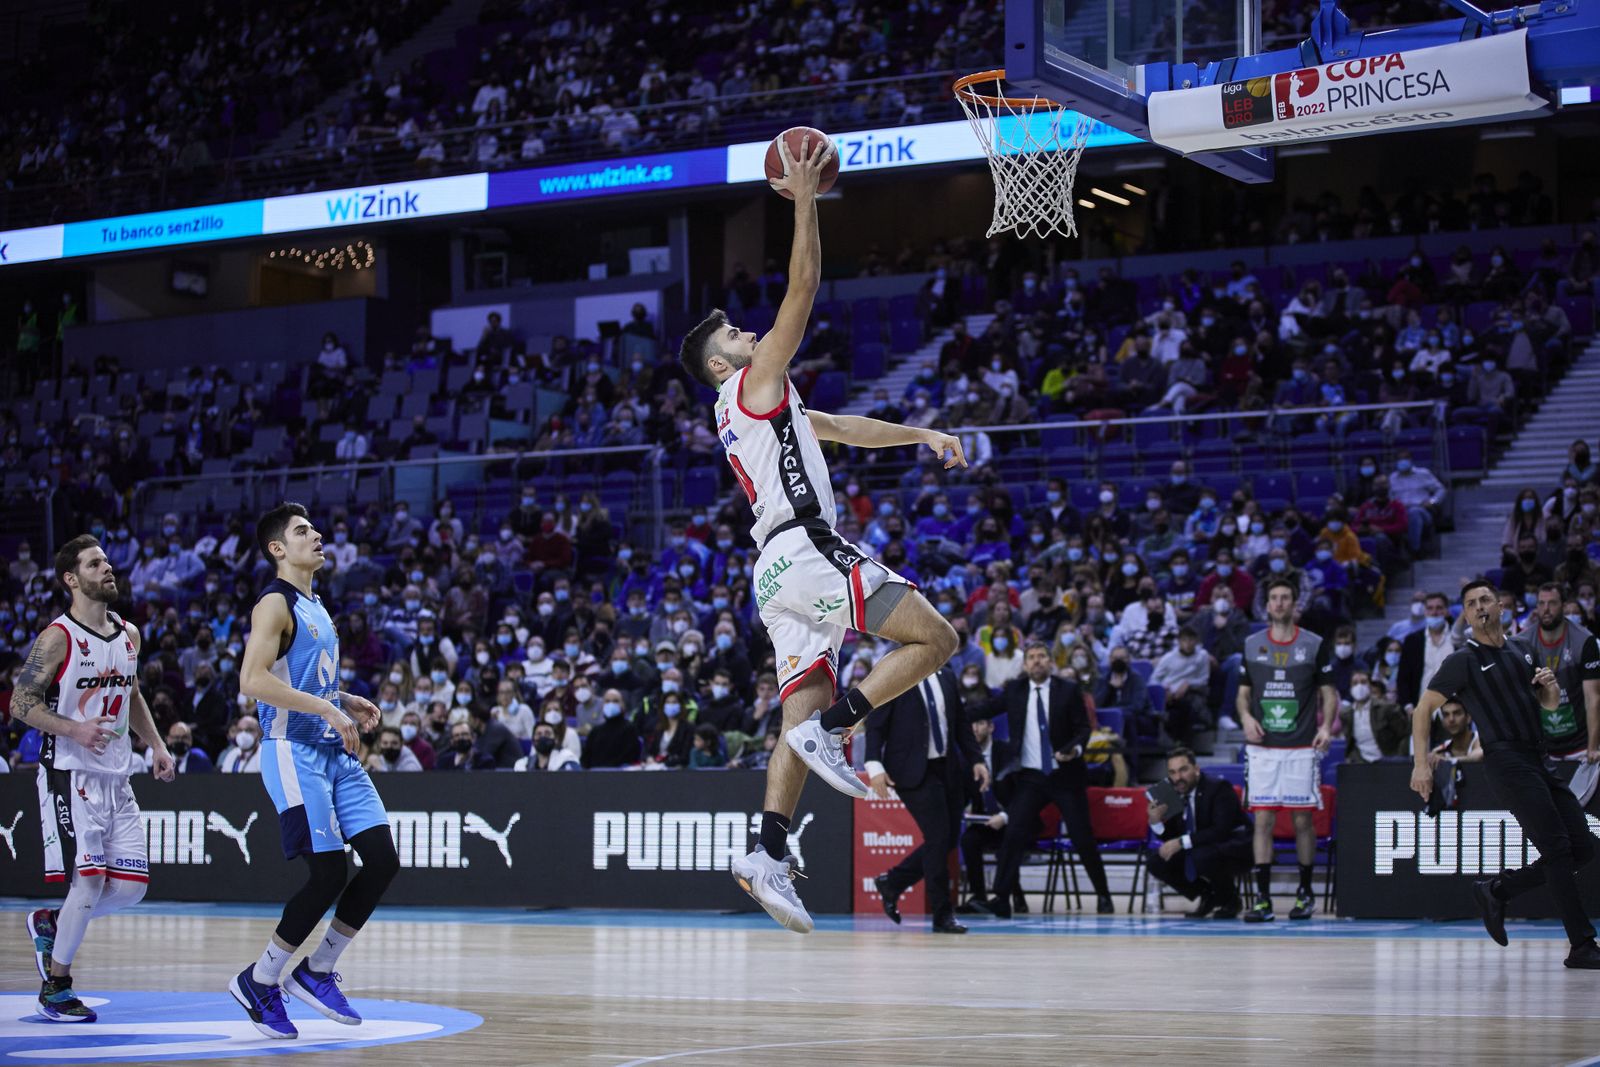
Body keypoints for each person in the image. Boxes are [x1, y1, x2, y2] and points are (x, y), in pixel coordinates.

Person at [679, 134, 964, 934]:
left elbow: (843, 426)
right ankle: (838, 730)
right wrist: (806, 197)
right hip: (805, 548)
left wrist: (920, 435)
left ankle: (765, 849)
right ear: (720, 363)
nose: (746, 334)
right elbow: (802, 289)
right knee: (935, 638)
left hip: (773, 573)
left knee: (792, 715)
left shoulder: (761, 408)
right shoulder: (751, 381)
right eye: (734, 333)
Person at [231, 503, 399, 1038]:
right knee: (327, 873)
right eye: (302, 531)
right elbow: (253, 682)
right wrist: (327, 708)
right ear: (278, 548)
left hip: (334, 749)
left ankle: (318, 968)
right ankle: (260, 980)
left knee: (381, 860)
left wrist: (342, 698)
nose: (317, 535)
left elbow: (303, 678)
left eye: (315, 529)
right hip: (292, 749)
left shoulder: (316, 604)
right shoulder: (274, 605)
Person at [13, 534, 175, 1022]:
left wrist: (157, 745)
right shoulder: (57, 637)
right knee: (88, 880)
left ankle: (52, 922)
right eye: (94, 563)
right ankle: (56, 986)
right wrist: (74, 729)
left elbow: (131, 693)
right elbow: (21, 703)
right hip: (69, 771)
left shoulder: (129, 633)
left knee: (131, 888)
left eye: (106, 561)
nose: (107, 568)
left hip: (117, 773)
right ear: (71, 578)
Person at [1412, 579, 1600, 968]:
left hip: (1539, 757)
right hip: (1506, 761)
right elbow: (1421, 710)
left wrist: (1549, 687)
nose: (1479, 607)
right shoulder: (1463, 659)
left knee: (1582, 847)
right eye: (1470, 603)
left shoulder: (1523, 650)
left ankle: (1496, 890)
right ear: (1465, 615)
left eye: (1485, 600)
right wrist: (1419, 765)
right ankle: (1582, 945)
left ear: (1500, 607)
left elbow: (1547, 706)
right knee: (1558, 849)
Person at [1236, 578, 1338, 922]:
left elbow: (1329, 693)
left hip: (1301, 746)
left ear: (1295, 605)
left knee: (1302, 821)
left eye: (1285, 598)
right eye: (1274, 598)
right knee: (1262, 820)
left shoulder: (1313, 644)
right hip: (1263, 748)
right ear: (1267, 605)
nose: (1279, 603)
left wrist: (1326, 727)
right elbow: (1242, 693)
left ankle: (1306, 894)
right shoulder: (1251, 645)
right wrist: (1246, 717)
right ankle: (1263, 900)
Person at [988, 642, 1114, 916]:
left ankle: (1104, 895)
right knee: (1013, 833)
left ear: (1050, 662)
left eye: (1041, 657)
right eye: (1031, 657)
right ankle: (1000, 898)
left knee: (1082, 838)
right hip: (1032, 777)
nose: (1036, 662)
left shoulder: (1067, 690)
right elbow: (985, 708)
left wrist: (1075, 749)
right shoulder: (1015, 691)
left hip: (1065, 775)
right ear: (1025, 665)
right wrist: (954, 713)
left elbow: (1083, 729)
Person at [865, 666, 988, 934]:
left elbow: (961, 724)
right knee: (938, 837)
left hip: (948, 768)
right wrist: (874, 765)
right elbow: (875, 724)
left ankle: (893, 882)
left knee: (948, 837)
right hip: (910, 770)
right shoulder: (896, 672)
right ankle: (942, 915)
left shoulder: (947, 675)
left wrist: (977, 759)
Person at [1146, 748, 1252, 918]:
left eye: (1183, 770)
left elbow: (1221, 831)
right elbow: (1172, 836)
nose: (1178, 777)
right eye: (1172, 772)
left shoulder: (1218, 788)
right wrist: (1156, 822)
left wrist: (1181, 842)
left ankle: (1230, 899)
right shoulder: (1174, 793)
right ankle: (1207, 895)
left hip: (1236, 847)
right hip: (1201, 848)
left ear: (1196, 769)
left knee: (1201, 855)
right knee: (1156, 861)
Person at [1510, 582, 1600, 759]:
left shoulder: (1585, 641)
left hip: (1580, 746)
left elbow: (1593, 698)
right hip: (1542, 747)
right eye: (1541, 604)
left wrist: (1593, 747)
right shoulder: (1521, 643)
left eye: (1552, 603)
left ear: (1564, 606)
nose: (1546, 609)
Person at [1397, 591, 1457, 710]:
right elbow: (1403, 677)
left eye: (1439, 608)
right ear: (1425, 612)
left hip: (1454, 709)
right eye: (1430, 608)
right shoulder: (1412, 641)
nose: (1434, 612)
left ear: (1446, 611)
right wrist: (1408, 706)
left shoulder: (1457, 639)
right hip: (1422, 708)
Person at [1339, 673, 1408, 763]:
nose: (1359, 686)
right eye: (1355, 683)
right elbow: (1349, 742)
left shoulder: (1387, 708)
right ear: (1350, 688)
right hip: (1361, 763)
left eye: (1363, 682)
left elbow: (1405, 734)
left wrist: (1398, 758)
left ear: (1370, 686)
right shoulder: (1345, 714)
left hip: (1388, 761)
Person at [1429, 699, 1483, 764]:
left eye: (1457, 713)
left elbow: (1479, 756)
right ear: (1442, 722)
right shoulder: (1440, 750)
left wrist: (1444, 761)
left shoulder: (1480, 739)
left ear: (1468, 717)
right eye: (1446, 715)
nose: (1451, 719)